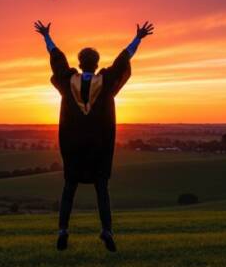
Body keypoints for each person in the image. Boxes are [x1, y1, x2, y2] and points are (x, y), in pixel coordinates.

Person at [34, 20, 154, 252]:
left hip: (74, 145)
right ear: (96, 63)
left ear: (79, 63)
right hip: (99, 145)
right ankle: (107, 230)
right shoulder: (106, 81)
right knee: (102, 189)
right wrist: (138, 38)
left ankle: (63, 230)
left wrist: (46, 36)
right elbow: (123, 60)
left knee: (69, 188)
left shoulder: (69, 80)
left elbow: (56, 59)